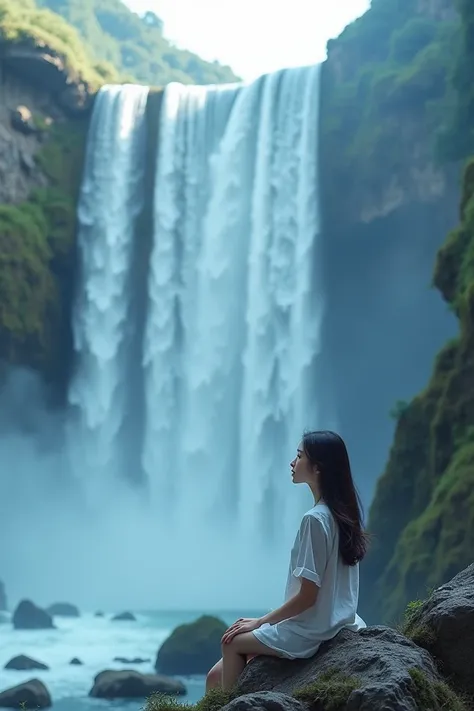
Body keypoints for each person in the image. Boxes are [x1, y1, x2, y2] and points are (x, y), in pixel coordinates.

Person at [206, 430, 369, 692]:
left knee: (232, 642)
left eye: (299, 456)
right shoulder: (342, 515)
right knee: (215, 676)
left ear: (318, 467)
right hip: (336, 621)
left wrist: (261, 622)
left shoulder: (315, 520)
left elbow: (308, 596)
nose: (292, 463)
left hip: (311, 630)